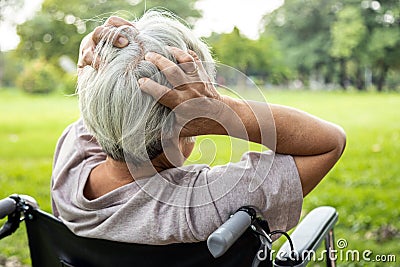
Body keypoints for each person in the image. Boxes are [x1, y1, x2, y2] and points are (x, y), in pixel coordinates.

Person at [51, 10, 346, 245]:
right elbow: (330, 142)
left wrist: (98, 69)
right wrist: (223, 112)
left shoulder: (71, 164)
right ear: (182, 133)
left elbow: (105, 113)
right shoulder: (204, 205)